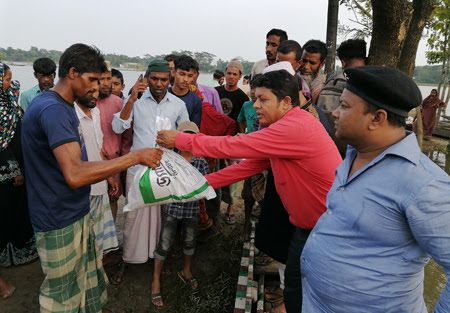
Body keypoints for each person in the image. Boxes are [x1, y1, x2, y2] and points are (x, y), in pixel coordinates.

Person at [156, 69, 342, 313]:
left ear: (286, 102)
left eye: (263, 100)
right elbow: (248, 167)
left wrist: (181, 140)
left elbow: (235, 145)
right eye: (255, 98)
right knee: (295, 288)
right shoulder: (286, 126)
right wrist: (196, 186)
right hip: (305, 227)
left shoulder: (295, 127)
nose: (255, 106)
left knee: (317, 295)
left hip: (325, 231)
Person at [21, 43, 163, 313]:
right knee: (62, 295)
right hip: (56, 216)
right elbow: (74, 173)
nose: (97, 87)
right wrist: (134, 157)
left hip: (75, 209)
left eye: (100, 80)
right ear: (72, 73)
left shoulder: (61, 105)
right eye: (92, 80)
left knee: (88, 274)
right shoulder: (52, 110)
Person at [301, 65, 450, 313]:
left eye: (345, 106)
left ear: (377, 118)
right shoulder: (352, 154)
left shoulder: (424, 184)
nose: (335, 113)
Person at [111, 59, 189, 283]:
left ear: (169, 80)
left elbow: (186, 134)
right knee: (133, 216)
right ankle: (128, 259)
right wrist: (131, 98)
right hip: (138, 169)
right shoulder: (135, 100)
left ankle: (157, 259)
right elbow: (117, 127)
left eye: (164, 79)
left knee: (163, 220)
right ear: (146, 78)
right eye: (154, 78)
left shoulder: (177, 104)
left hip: (164, 171)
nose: (159, 83)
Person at [151, 121, 209, 307]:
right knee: (165, 243)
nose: (187, 141)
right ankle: (156, 282)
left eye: (191, 137)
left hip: (191, 210)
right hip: (171, 209)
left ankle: (186, 272)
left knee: (189, 241)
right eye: (184, 136)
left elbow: (205, 185)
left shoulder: (200, 160)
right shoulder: (170, 158)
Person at [0, 62, 39, 269]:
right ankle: (9, 252)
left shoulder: (10, 103)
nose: (12, 82)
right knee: (8, 209)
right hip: (6, 170)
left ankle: (23, 247)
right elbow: (1, 142)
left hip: (21, 161)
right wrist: (14, 169)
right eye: (7, 79)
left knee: (22, 205)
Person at [75, 92, 120, 259]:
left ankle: (96, 265)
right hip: (82, 184)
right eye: (90, 90)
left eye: (96, 90)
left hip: (99, 181)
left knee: (97, 231)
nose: (94, 94)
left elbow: (98, 147)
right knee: (82, 234)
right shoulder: (71, 113)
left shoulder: (95, 112)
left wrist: (108, 175)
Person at [316, 38, 367, 157]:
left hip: (328, 146)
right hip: (355, 148)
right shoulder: (367, 81)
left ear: (343, 62)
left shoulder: (332, 79)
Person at [215, 60, 249, 224]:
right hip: (215, 139)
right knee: (214, 173)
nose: (231, 77)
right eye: (229, 73)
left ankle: (230, 207)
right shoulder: (216, 92)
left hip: (232, 141)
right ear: (225, 74)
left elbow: (242, 120)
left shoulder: (242, 97)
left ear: (240, 76)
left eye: (235, 74)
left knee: (230, 176)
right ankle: (212, 210)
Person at [96, 63, 131, 221]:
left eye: (108, 79)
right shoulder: (86, 102)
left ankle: (110, 242)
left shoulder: (119, 103)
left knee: (112, 199)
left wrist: (123, 159)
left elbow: (127, 136)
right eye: (101, 79)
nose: (105, 83)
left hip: (114, 161)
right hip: (92, 162)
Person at [168, 55, 202, 127]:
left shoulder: (196, 101)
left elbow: (194, 128)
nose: (185, 79)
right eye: (182, 74)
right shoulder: (163, 95)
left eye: (190, 76)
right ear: (174, 72)